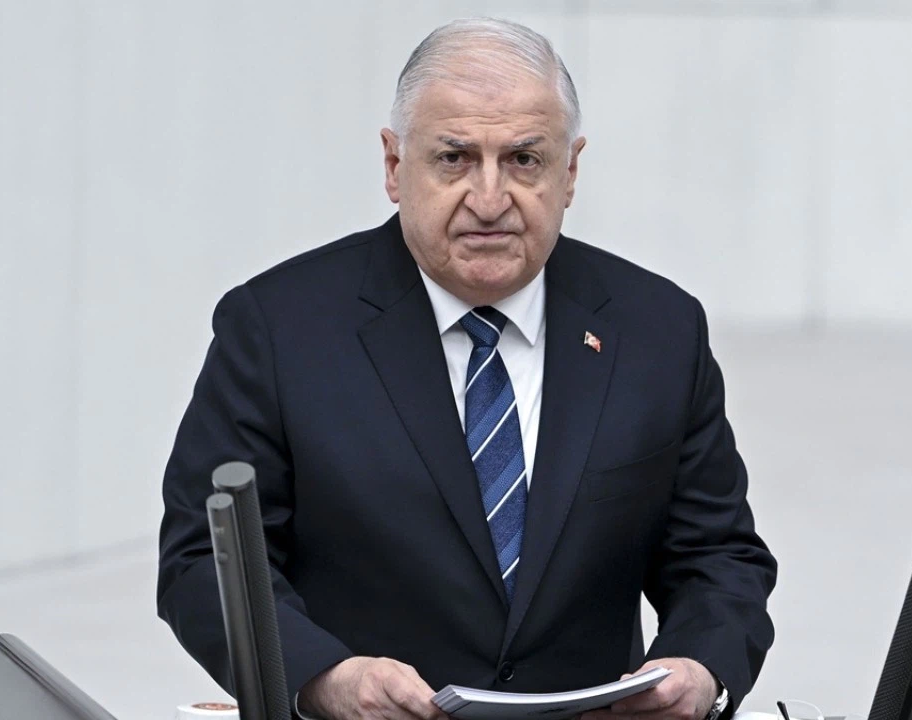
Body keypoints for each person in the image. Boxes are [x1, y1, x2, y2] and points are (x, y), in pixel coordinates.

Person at [157, 17, 777, 720]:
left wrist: (699, 668)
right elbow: (204, 561)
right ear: (395, 166)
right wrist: (325, 679)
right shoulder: (277, 327)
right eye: (454, 158)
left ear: (570, 173)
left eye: (524, 159)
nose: (489, 199)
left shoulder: (658, 329)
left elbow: (718, 557)